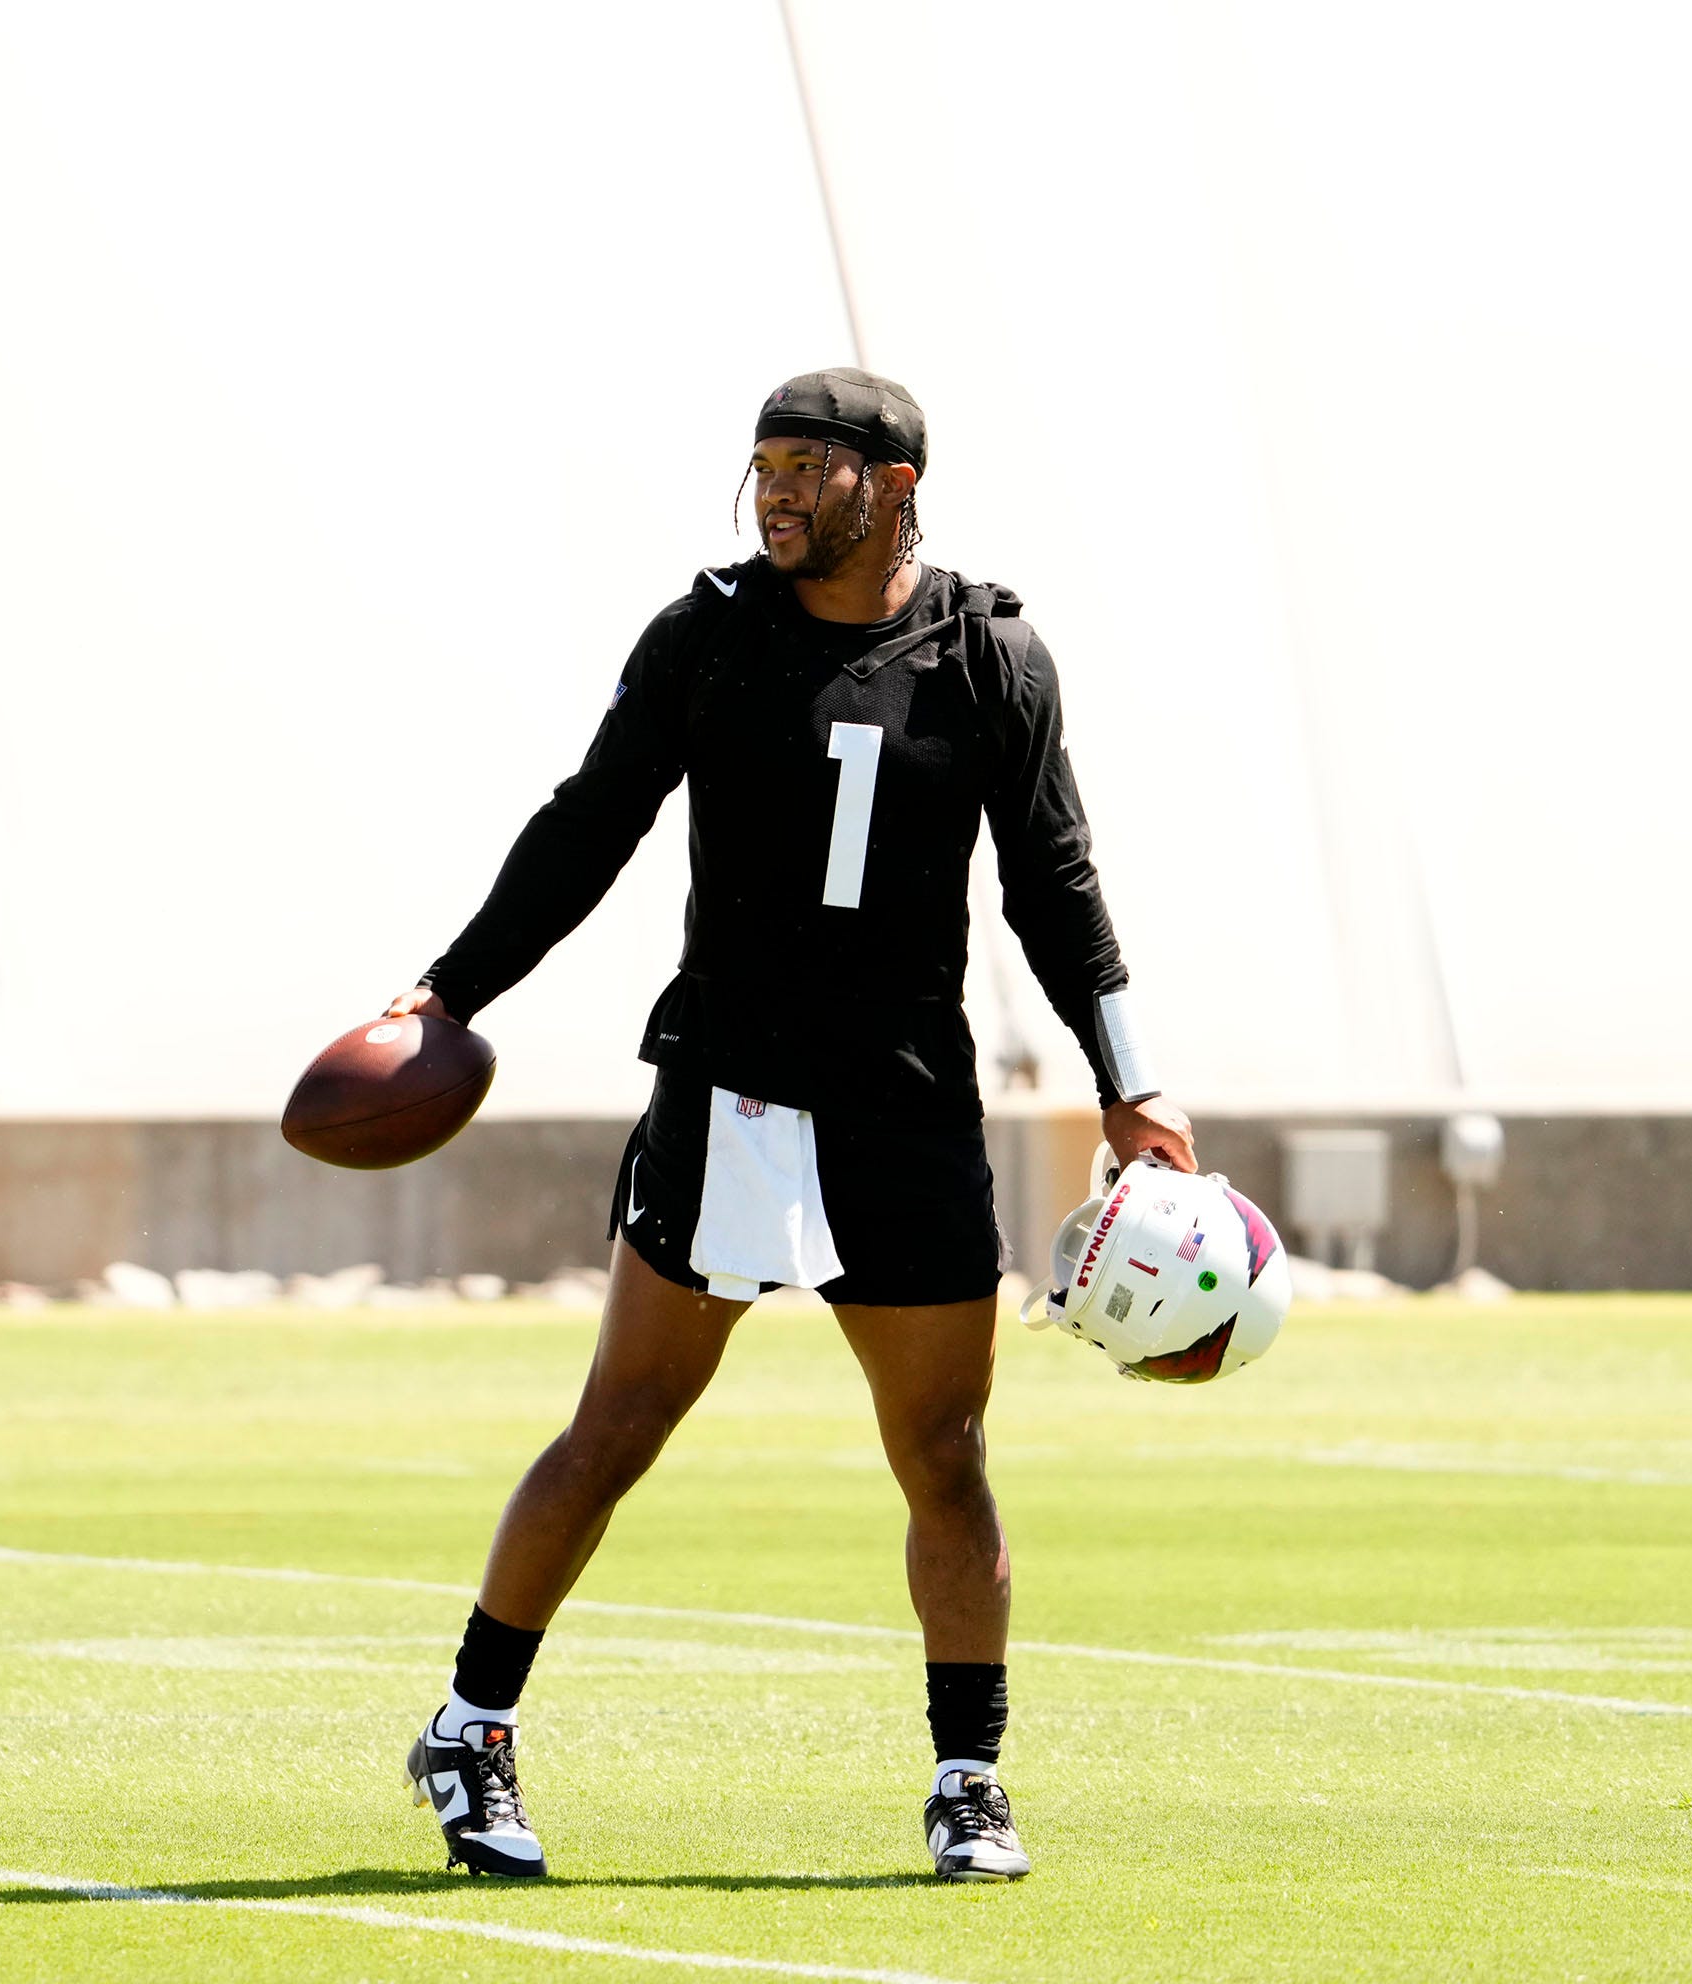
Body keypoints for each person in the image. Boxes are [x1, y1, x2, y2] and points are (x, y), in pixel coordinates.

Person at [389, 369, 1194, 1883]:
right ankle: (469, 1725)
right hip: (735, 1089)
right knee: (620, 1425)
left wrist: (1129, 1079)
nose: (773, 489)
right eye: (762, 461)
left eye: (809, 465)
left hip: (905, 1099)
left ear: (895, 487)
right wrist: (446, 995)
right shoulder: (708, 634)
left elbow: (1055, 879)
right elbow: (588, 826)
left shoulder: (989, 654)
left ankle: (969, 1778)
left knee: (944, 1453)